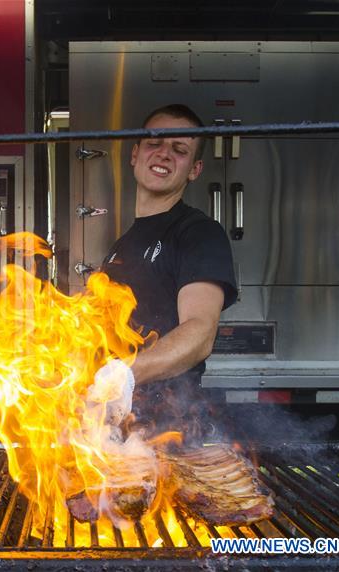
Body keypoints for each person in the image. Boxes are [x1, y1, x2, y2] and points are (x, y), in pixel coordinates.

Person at [88, 104, 238, 444]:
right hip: (118, 427)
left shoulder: (198, 233)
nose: (164, 154)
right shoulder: (123, 245)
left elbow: (200, 333)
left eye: (180, 150)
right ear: (135, 153)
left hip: (167, 430)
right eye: (155, 142)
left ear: (194, 169)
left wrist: (125, 374)